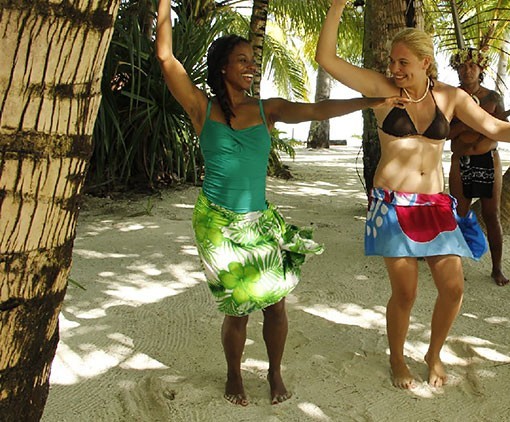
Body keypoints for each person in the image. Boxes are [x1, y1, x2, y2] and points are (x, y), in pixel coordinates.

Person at [155, 0, 400, 406]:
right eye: (242, 60)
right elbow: (166, 57)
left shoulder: (268, 110)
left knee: (275, 303)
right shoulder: (203, 108)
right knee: (238, 308)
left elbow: (319, 109)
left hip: (259, 221)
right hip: (217, 222)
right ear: (222, 68)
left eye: (254, 60)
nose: (252, 66)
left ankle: (273, 372)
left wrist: (369, 103)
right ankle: (234, 374)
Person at [316, 0, 510, 390]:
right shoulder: (381, 90)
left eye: (402, 63)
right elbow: (326, 58)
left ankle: (433, 352)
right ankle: (397, 358)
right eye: (392, 62)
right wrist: (337, 6)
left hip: (435, 206)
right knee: (406, 292)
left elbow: (493, 128)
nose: (394, 70)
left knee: (453, 288)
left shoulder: (449, 97)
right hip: (393, 206)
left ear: (425, 63)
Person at [447, 48, 510, 287]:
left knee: (492, 214)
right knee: (459, 213)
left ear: (481, 69)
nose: (467, 70)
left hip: (488, 159)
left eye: (472, 66)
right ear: (457, 70)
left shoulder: (493, 98)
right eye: (462, 66)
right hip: (460, 160)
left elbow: (503, 129)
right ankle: (455, 266)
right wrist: (465, 126)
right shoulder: (451, 97)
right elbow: (443, 133)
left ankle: (497, 268)